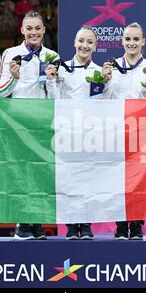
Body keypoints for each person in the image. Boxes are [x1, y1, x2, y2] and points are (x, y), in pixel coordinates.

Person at [0, 11, 58, 240]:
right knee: (21, 172)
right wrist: (13, 77)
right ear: (21, 30)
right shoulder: (11, 54)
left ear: (44, 31)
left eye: (37, 28)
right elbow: (1, 92)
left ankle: (37, 223)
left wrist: (52, 81)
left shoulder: (53, 56)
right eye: (29, 28)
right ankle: (22, 223)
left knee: (41, 173)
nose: (34, 32)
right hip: (18, 122)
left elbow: (55, 97)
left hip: (43, 121)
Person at [102, 22, 146, 240]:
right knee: (119, 181)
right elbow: (103, 101)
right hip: (118, 133)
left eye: (136, 39)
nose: (132, 43)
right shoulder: (111, 67)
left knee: (141, 182)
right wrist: (104, 81)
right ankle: (120, 226)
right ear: (122, 41)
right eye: (128, 39)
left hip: (143, 133)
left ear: (143, 41)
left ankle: (136, 226)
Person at [45, 26, 101, 240]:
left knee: (87, 181)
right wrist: (51, 80)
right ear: (74, 42)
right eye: (81, 41)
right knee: (68, 180)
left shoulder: (101, 72)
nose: (84, 46)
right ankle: (71, 225)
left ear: (95, 46)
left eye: (89, 42)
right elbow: (54, 101)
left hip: (91, 134)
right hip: (66, 133)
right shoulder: (61, 68)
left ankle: (85, 225)